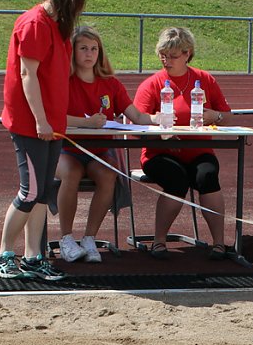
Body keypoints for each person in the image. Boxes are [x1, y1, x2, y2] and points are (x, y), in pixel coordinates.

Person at [0, 0, 87, 282]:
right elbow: (27, 74)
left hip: (51, 124)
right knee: (31, 190)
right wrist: (40, 120)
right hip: (32, 124)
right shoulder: (35, 23)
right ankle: (4, 253)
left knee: (42, 191)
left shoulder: (57, 25)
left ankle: (33, 256)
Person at [57, 25, 157, 263]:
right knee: (71, 173)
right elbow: (53, 116)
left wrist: (158, 119)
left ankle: (89, 237)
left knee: (108, 175)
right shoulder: (63, 81)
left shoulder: (111, 84)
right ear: (72, 52)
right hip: (66, 149)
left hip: (100, 151)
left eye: (94, 48)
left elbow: (138, 117)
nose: (89, 53)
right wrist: (87, 123)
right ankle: (66, 239)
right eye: (83, 48)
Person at [133, 27, 233, 260]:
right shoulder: (152, 84)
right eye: (163, 55)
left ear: (187, 54)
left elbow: (228, 116)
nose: (166, 60)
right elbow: (135, 123)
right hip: (161, 153)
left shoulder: (204, 79)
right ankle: (159, 242)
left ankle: (219, 243)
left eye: (173, 55)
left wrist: (214, 116)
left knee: (207, 177)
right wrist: (160, 132)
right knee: (177, 179)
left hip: (198, 151)